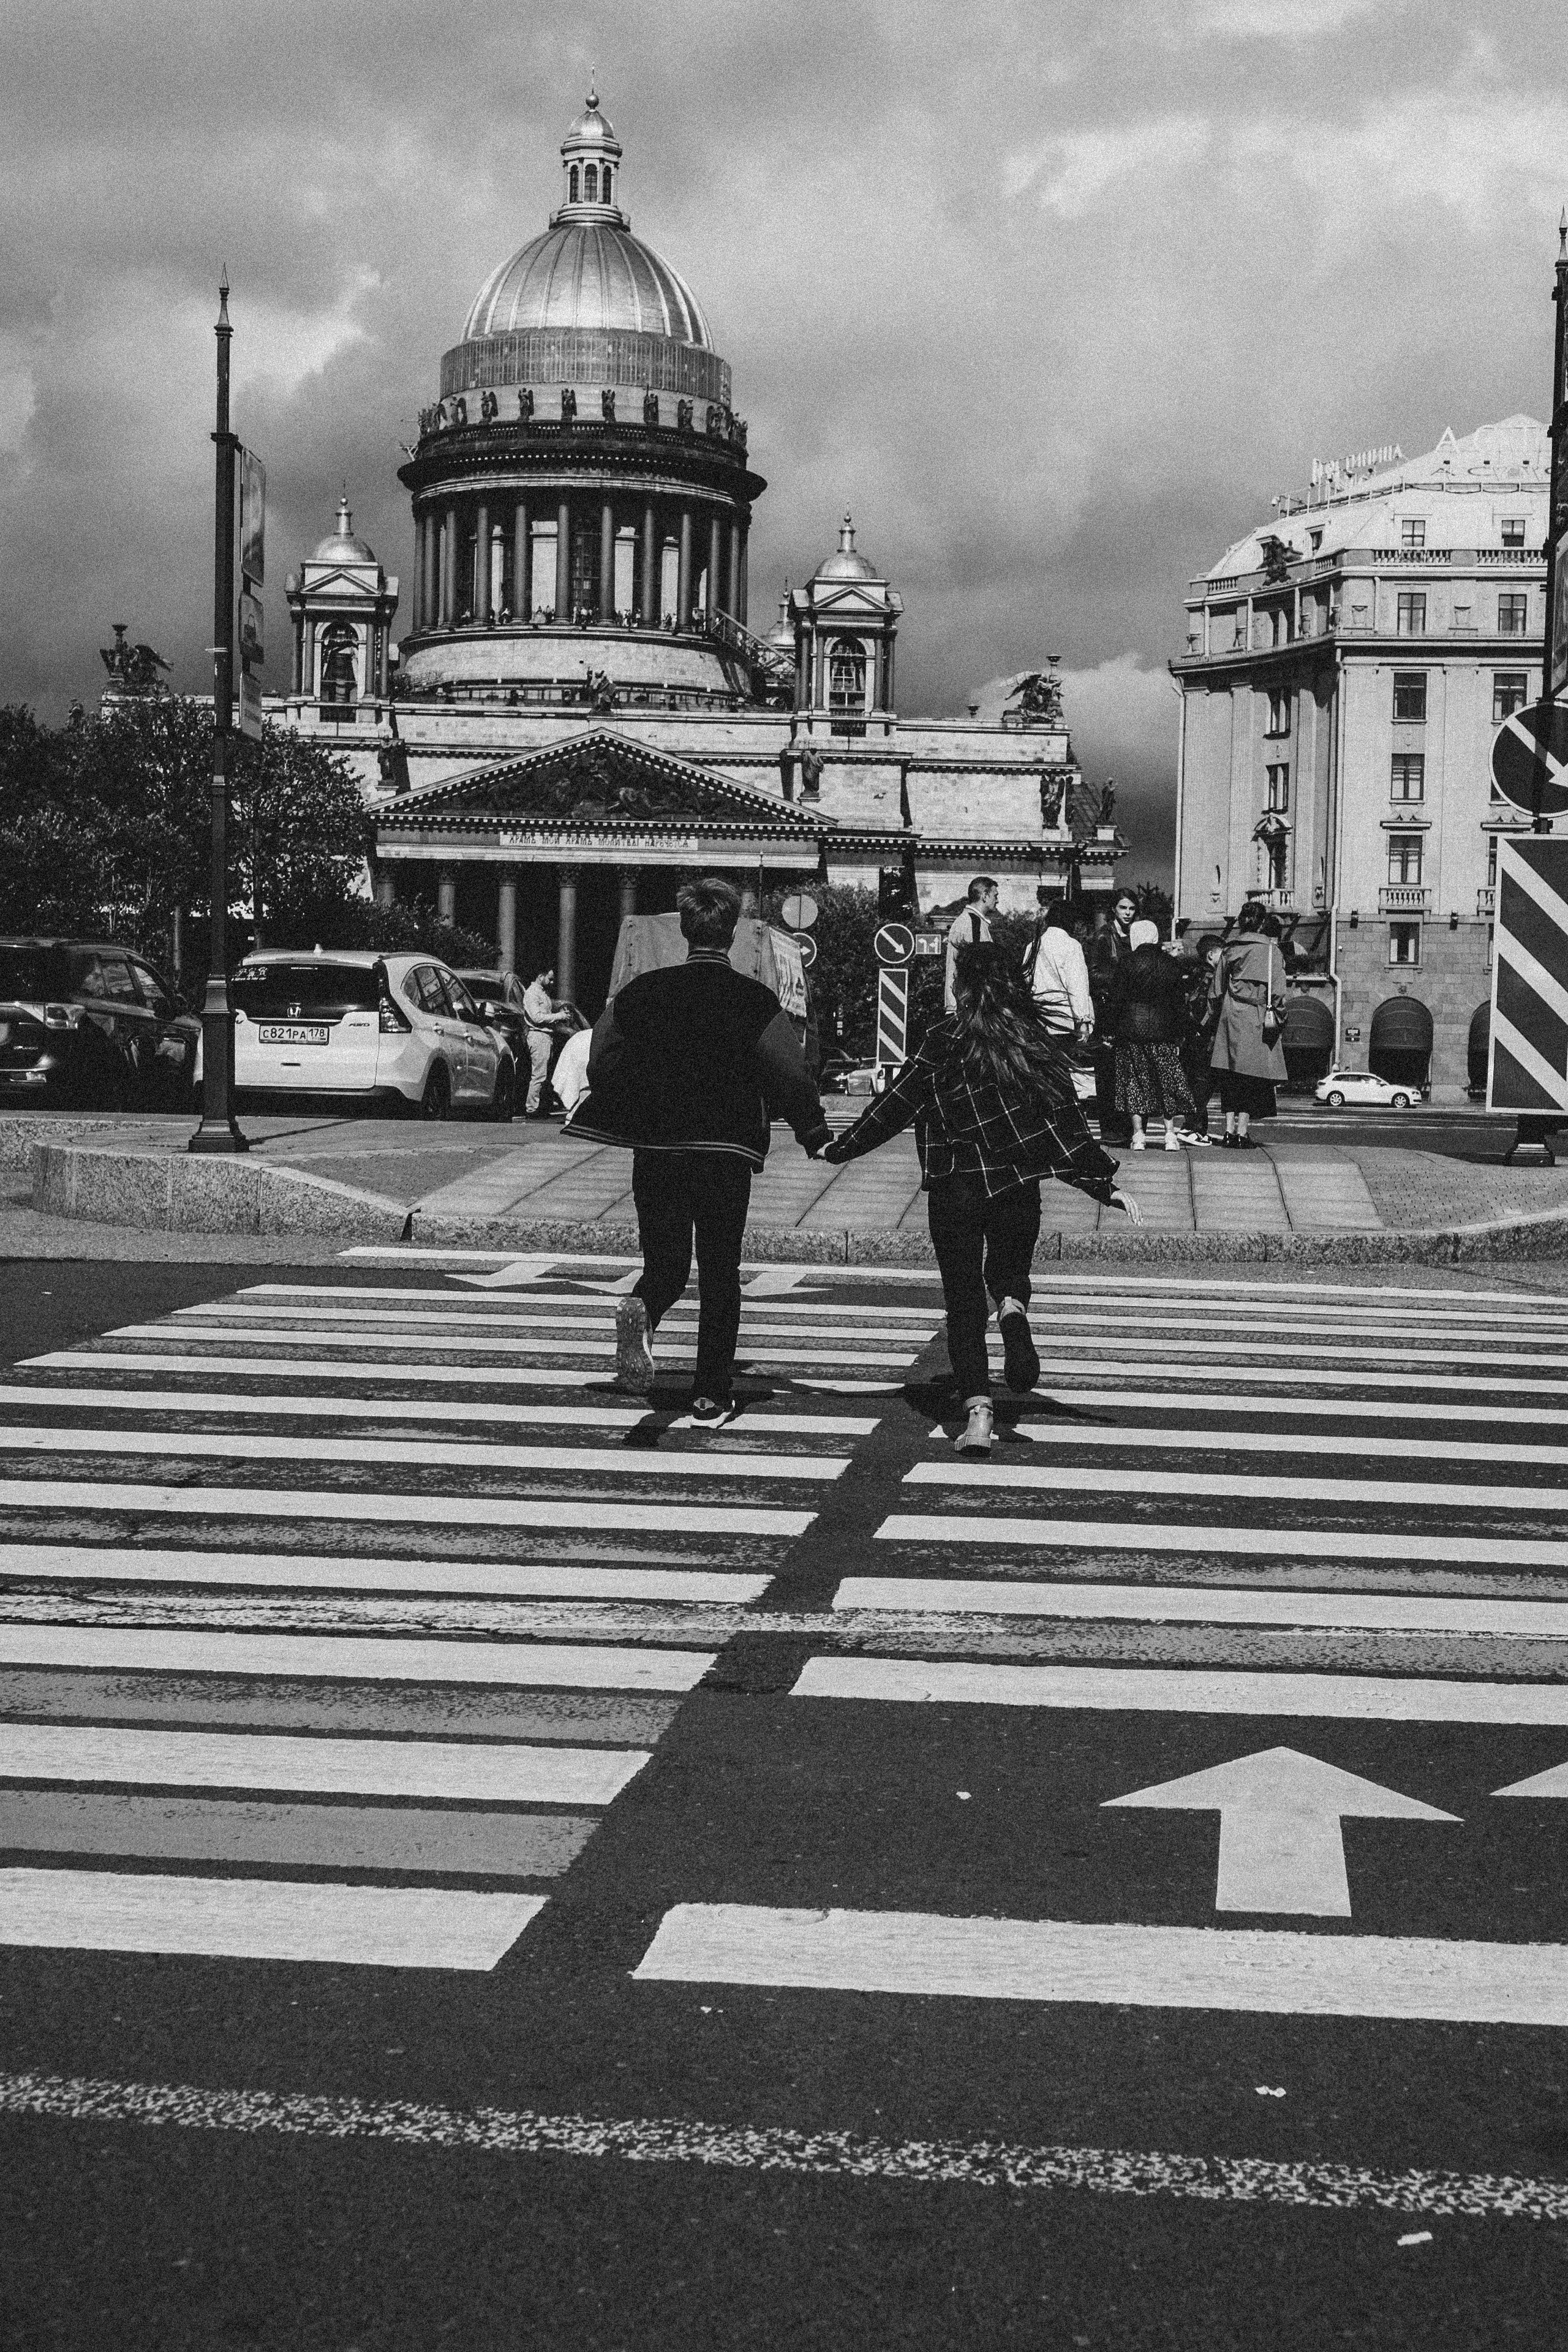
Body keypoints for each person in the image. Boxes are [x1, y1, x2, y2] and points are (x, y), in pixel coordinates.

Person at [822, 941, 1141, 1457]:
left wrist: (841, 1149)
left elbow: (894, 1108)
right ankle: (1013, 1311)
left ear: (965, 986)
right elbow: (1064, 1126)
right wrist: (1104, 1184)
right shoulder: (1031, 1042)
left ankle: (978, 1413)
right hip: (1017, 1188)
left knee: (964, 1301)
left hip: (956, 1189)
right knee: (1008, 1275)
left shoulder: (942, 1040)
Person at [565, 876, 829, 1420]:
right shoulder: (753, 1000)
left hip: (657, 1147)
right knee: (718, 1270)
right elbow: (790, 1073)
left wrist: (633, 1101)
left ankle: (643, 1307)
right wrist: (813, 1133)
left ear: (686, 930)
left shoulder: (641, 992)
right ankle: (711, 1388)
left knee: (664, 1262)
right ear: (730, 933)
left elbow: (601, 1059)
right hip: (723, 1150)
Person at [1104, 917, 1205, 1150]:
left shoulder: (1126, 962)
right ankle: (1170, 1134)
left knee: (1134, 1082)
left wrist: (1110, 1029)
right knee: (1166, 1080)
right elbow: (1179, 1003)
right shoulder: (1171, 964)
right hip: (1164, 1031)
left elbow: (1116, 1000)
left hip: (1131, 1030)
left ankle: (1139, 1135)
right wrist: (1181, 1033)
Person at [1209, 902, 1287, 1148]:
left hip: (1231, 1014)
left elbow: (1216, 991)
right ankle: (1243, 1133)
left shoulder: (1230, 949)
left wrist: (1212, 1019)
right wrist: (1280, 1018)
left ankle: (1229, 1130)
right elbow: (1279, 994)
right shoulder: (1272, 952)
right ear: (1263, 922)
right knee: (1251, 1077)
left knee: (1230, 1074)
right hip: (1257, 1015)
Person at [1087, 890, 1137, 1145]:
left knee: (1126, 1071)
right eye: (1123, 908)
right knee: (1108, 1072)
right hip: (1108, 1011)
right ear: (1114, 910)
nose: (1127, 913)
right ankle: (1110, 1129)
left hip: (1128, 1011)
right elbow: (1094, 974)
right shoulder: (1104, 936)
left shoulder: (1135, 936)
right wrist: (1123, 978)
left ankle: (1126, 1128)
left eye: (1131, 908)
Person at [1022, 900, 1093, 1042]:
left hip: (1039, 1020)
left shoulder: (1033, 945)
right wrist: (1083, 1020)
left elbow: (1026, 978)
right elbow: (1077, 986)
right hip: (1064, 1022)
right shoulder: (1072, 946)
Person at [943, 875, 998, 1012]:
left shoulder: (968, 920)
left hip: (961, 1004)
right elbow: (977, 968)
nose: (997, 900)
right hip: (970, 1008)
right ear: (985, 896)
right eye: (995, 896)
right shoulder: (974, 923)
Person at [522, 964, 571, 1116]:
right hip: (538, 1036)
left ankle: (541, 1105)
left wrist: (559, 1016)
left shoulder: (543, 994)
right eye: (549, 979)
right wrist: (559, 1016)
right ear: (540, 977)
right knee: (539, 1075)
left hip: (546, 1036)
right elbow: (537, 1017)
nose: (552, 982)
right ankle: (531, 1107)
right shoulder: (532, 994)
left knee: (545, 1075)